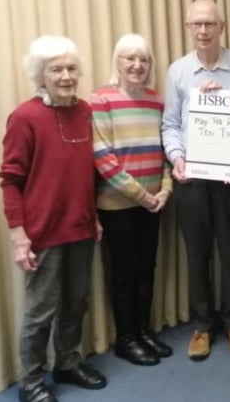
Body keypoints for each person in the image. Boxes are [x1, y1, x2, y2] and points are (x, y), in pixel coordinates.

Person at [0, 35, 107, 402]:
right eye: (56, 69)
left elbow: (84, 173)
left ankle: (67, 362)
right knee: (40, 312)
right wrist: (19, 235)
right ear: (40, 75)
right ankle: (30, 382)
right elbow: (10, 180)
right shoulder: (24, 116)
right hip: (42, 231)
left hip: (79, 226)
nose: (65, 76)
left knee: (76, 303)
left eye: (71, 68)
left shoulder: (85, 111)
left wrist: (91, 217)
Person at [161, 0, 230, 360]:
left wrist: (225, 101)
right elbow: (170, 124)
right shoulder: (177, 71)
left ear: (222, 27)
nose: (203, 31)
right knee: (197, 252)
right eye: (197, 24)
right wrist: (177, 158)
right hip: (192, 177)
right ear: (188, 28)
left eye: (210, 24)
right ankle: (202, 326)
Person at [91, 34, 173, 366]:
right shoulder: (101, 100)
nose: (137, 65)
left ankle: (142, 331)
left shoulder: (156, 100)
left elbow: (166, 149)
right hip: (119, 204)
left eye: (144, 59)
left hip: (155, 201)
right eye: (129, 58)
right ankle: (126, 339)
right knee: (125, 272)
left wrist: (165, 188)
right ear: (118, 62)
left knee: (147, 268)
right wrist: (141, 195)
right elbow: (102, 157)